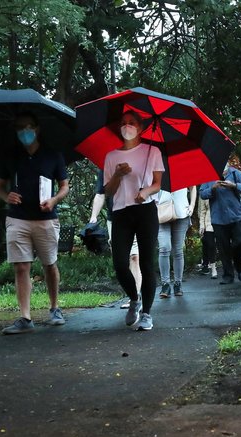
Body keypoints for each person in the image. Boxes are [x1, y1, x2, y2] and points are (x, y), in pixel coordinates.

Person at [0, 111, 69, 334]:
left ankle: (55, 308)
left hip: (46, 219)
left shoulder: (53, 155)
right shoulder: (10, 155)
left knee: (49, 264)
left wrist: (54, 200)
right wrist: (6, 196)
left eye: (27, 126)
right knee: (21, 266)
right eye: (19, 127)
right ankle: (25, 317)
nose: (24, 131)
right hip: (17, 218)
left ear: (37, 129)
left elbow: (64, 186)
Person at [103, 110, 164, 331]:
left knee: (147, 264)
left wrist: (146, 192)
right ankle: (133, 298)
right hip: (121, 212)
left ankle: (147, 313)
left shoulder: (152, 151)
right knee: (120, 263)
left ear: (140, 127)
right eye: (123, 123)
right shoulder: (111, 157)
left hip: (146, 211)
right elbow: (108, 191)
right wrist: (118, 175)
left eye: (131, 123)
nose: (126, 126)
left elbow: (157, 183)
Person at [89, 169, 141, 307]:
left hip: (134, 216)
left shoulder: (135, 164)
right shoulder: (105, 167)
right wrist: (93, 217)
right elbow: (100, 194)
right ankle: (132, 294)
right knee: (120, 262)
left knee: (134, 257)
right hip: (115, 219)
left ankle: (135, 298)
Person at [199, 163, 241, 284]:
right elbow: (202, 194)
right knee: (223, 248)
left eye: (225, 171)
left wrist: (234, 185)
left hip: (236, 215)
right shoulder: (208, 176)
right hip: (218, 218)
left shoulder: (236, 173)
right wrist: (213, 188)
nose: (223, 173)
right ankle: (228, 275)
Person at [158, 184, 196, 297]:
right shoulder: (156, 168)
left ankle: (178, 283)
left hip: (181, 213)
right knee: (164, 247)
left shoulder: (182, 168)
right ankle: (165, 284)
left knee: (178, 250)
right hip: (161, 213)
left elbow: (193, 186)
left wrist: (192, 206)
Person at [197, 196, 218, 279]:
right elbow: (202, 211)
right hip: (209, 222)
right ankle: (213, 269)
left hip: (222, 221)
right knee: (210, 245)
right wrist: (202, 225)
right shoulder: (204, 190)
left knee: (223, 244)